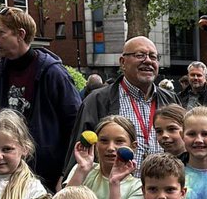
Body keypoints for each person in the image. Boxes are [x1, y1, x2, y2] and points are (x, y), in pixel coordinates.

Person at [0, 7, 81, 190]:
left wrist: (67, 173)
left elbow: (75, 125)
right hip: (10, 172)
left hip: (49, 176)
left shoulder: (53, 73)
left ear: (20, 34)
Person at [66, 36, 174, 170]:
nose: (147, 61)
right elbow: (80, 152)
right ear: (123, 62)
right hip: (113, 187)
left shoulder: (171, 100)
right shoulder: (97, 101)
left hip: (161, 187)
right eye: (140, 55)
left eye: (153, 57)